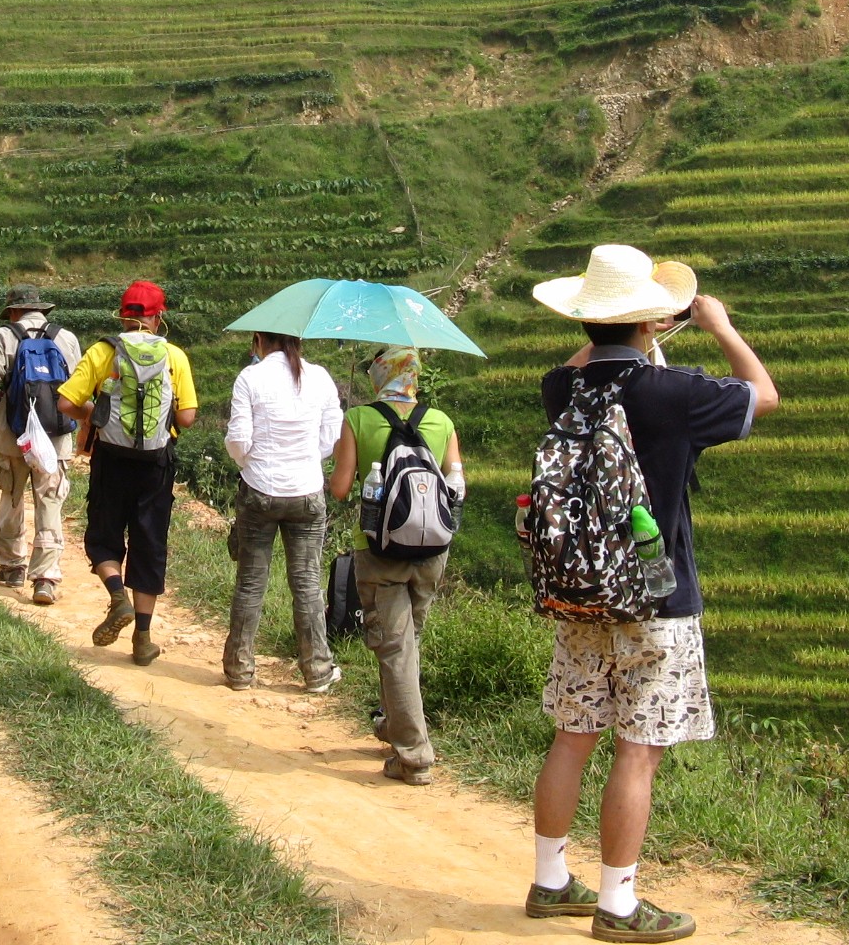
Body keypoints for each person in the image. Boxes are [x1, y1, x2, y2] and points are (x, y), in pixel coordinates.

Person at [523, 244, 777, 942]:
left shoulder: (561, 390)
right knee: (637, 750)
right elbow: (765, 394)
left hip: (580, 593)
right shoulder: (678, 393)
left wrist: (614, 331)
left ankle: (550, 884)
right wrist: (719, 327)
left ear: (585, 319)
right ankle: (620, 904)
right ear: (650, 321)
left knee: (573, 737)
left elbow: (581, 366)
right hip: (657, 600)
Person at [327, 344, 464, 785]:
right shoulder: (441, 421)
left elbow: (341, 489)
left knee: (395, 647)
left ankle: (414, 755)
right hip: (431, 551)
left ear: (379, 375)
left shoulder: (360, 419)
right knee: (407, 643)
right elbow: (456, 483)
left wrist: (341, 454)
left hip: (378, 550)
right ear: (415, 375)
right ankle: (392, 723)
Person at [57, 280, 196, 666]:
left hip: (111, 458)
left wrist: (97, 416)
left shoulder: (104, 351)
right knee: (149, 543)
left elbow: (67, 402)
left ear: (122, 315)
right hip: (156, 463)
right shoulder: (174, 357)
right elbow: (186, 416)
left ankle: (117, 598)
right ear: (158, 317)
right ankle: (143, 639)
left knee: (103, 536)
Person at [222, 331, 342, 693]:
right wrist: (303, 461)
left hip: (259, 492)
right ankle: (318, 671)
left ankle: (239, 671)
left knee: (250, 582)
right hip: (306, 494)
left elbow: (239, 442)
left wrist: (253, 465)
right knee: (307, 583)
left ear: (259, 339)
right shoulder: (320, 377)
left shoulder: (250, 377)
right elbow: (329, 439)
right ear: (298, 340)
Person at [0, 283, 82, 605]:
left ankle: (12, 567)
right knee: (49, 502)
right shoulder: (65, 337)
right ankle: (46, 578)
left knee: (11, 497)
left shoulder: (5, 336)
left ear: (12, 311)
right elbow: (80, 384)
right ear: (41, 308)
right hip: (55, 436)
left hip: (15, 435)